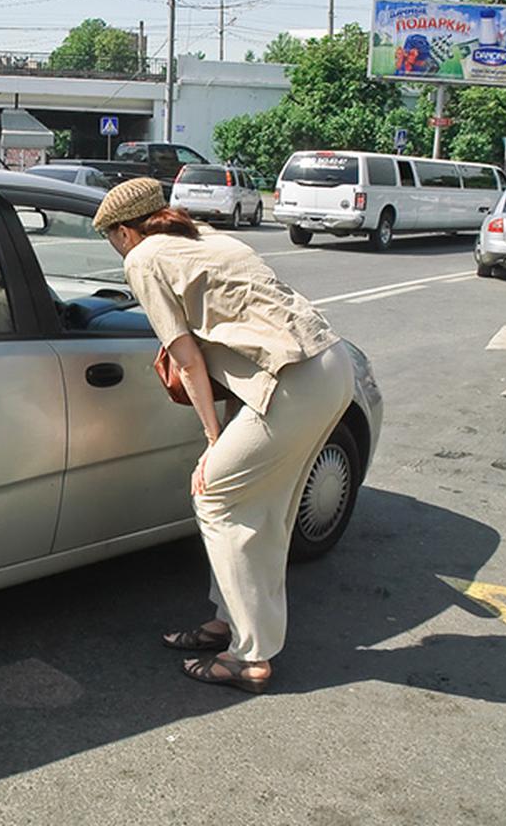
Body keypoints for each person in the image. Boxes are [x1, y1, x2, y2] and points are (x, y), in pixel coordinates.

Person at [92, 177, 354, 693]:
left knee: (214, 496)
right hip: (330, 364)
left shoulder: (143, 259)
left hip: (290, 379)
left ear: (123, 232)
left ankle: (250, 657)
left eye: (111, 239)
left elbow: (186, 359)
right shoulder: (209, 237)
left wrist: (212, 441)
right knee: (266, 508)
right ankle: (228, 623)